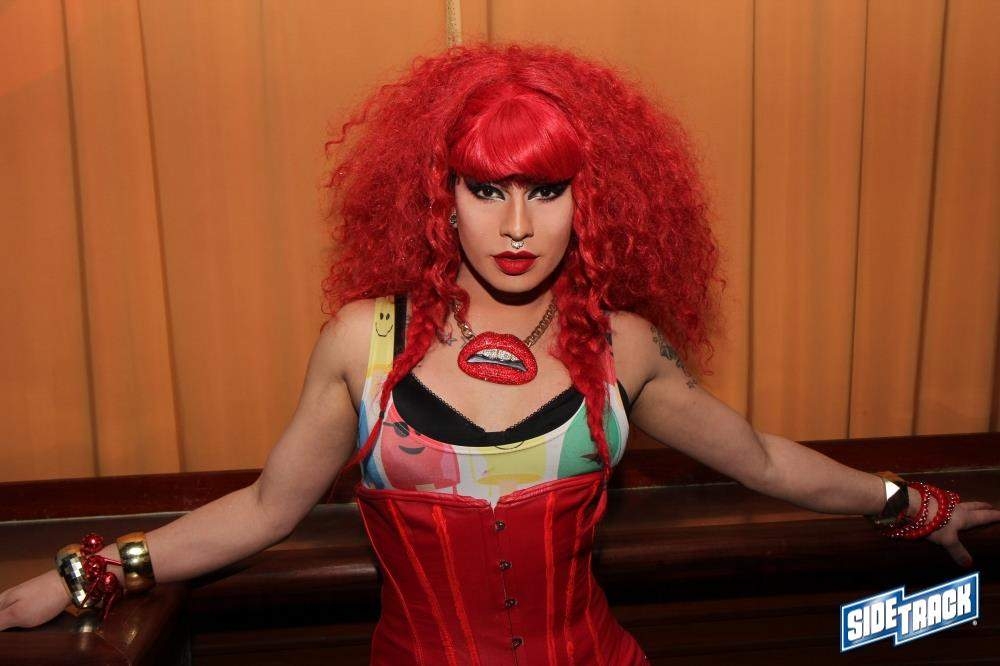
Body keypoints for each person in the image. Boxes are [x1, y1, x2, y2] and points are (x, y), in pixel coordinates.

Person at [1, 41, 997, 664]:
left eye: (545, 191)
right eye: (486, 190)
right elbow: (266, 510)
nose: (517, 225)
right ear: (438, 199)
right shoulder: (363, 343)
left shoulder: (624, 349)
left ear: (589, 201)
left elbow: (765, 461)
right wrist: (89, 574)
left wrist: (910, 504)